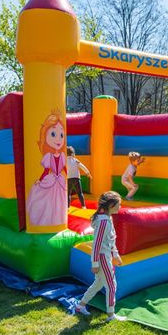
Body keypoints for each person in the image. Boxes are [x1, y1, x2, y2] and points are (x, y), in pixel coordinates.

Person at [73, 191, 127, 322]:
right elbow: (97, 244)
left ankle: (80, 306)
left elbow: (110, 239)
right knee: (111, 285)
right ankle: (111, 315)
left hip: (106, 255)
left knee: (98, 283)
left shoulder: (108, 218)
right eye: (118, 204)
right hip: (102, 257)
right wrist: (95, 264)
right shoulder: (103, 222)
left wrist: (116, 255)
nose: (120, 207)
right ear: (111, 205)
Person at [26, 111, 67, 226]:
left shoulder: (62, 156)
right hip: (53, 179)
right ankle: (48, 220)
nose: (58, 139)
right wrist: (40, 180)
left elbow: (64, 168)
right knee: (49, 201)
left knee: (57, 200)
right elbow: (46, 171)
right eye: (53, 134)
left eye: (61, 135)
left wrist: (67, 176)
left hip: (59, 180)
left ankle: (58, 219)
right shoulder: (49, 156)